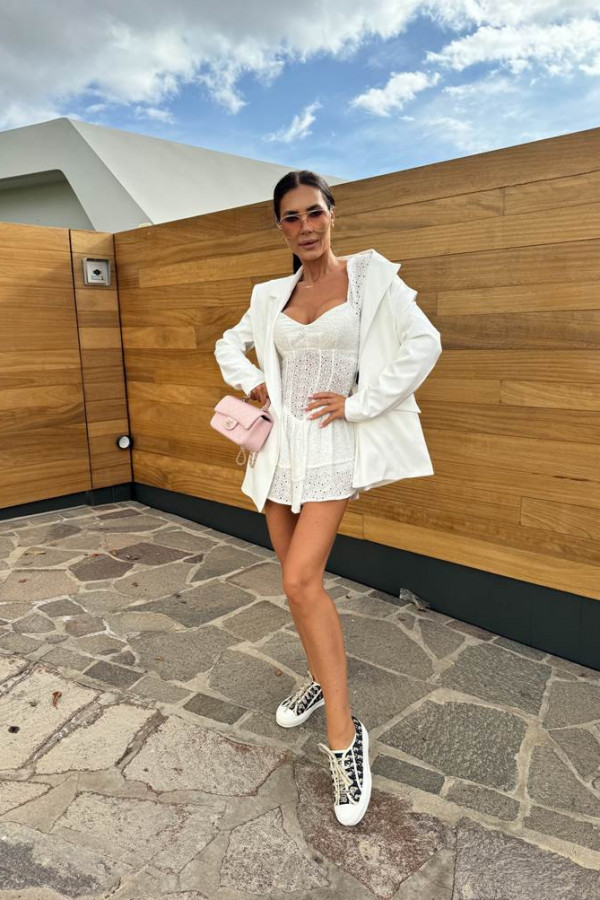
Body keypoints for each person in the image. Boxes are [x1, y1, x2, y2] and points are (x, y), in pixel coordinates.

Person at [214, 169, 442, 827]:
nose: (305, 227)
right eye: (291, 217)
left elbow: (425, 343)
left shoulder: (371, 279)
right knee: (296, 587)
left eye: (314, 212)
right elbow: (228, 343)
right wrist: (253, 381)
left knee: (300, 579)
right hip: (278, 451)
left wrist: (361, 403)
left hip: (332, 449)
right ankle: (319, 679)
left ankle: (345, 737)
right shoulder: (272, 293)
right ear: (280, 226)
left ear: (332, 213)